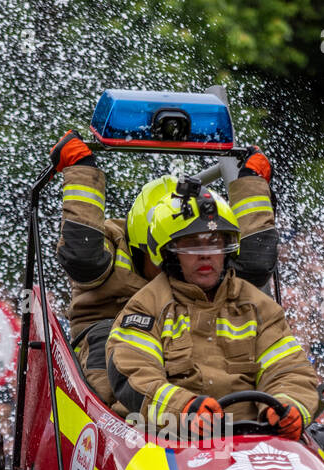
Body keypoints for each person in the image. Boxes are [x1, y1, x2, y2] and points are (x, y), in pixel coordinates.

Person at [50, 130, 277, 404]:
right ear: (138, 245)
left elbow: (253, 267)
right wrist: (82, 169)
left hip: (188, 333)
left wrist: (251, 183)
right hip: (109, 340)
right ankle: (124, 425)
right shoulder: (109, 243)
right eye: (166, 254)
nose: (179, 265)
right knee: (109, 342)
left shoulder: (201, 255)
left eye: (190, 246)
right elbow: (81, 257)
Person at [105, 179, 318, 439]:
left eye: (215, 242)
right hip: (170, 443)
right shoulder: (146, 306)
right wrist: (182, 408)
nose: (206, 255)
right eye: (191, 243)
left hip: (253, 443)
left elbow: (288, 370)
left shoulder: (259, 308)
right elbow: (133, 372)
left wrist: (289, 406)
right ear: (169, 252)